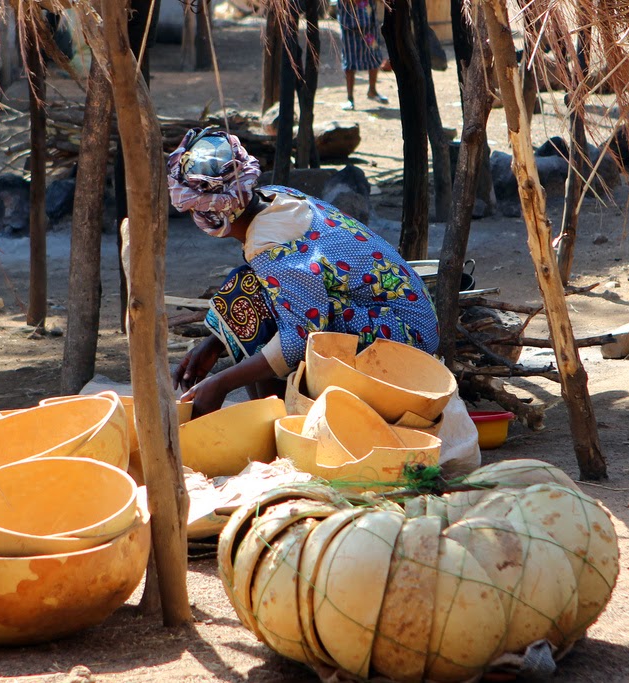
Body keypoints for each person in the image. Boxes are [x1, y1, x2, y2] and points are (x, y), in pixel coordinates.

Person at [168, 127, 439, 417]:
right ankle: (271, 411)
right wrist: (215, 342)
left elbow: (301, 337)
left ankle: (283, 416)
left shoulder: (272, 251)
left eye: (195, 211)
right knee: (245, 286)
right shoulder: (277, 198)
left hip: (405, 345)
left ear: (214, 214)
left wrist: (221, 383)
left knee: (277, 315)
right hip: (397, 318)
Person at [337, 0, 387, 110]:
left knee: (374, 56)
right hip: (350, 28)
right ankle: (350, 98)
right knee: (350, 62)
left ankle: (372, 91)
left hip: (370, 27)